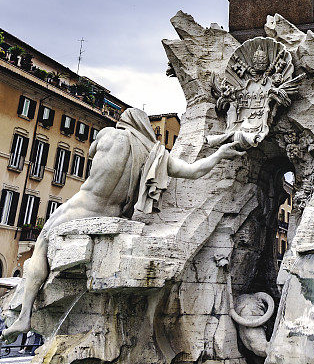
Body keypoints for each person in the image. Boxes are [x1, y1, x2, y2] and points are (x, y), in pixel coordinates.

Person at [2, 108, 243, 341]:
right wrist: (221, 153)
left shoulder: (109, 134)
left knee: (42, 243)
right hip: (115, 215)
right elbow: (192, 171)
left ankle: (24, 315)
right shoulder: (155, 153)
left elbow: (91, 153)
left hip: (83, 207)